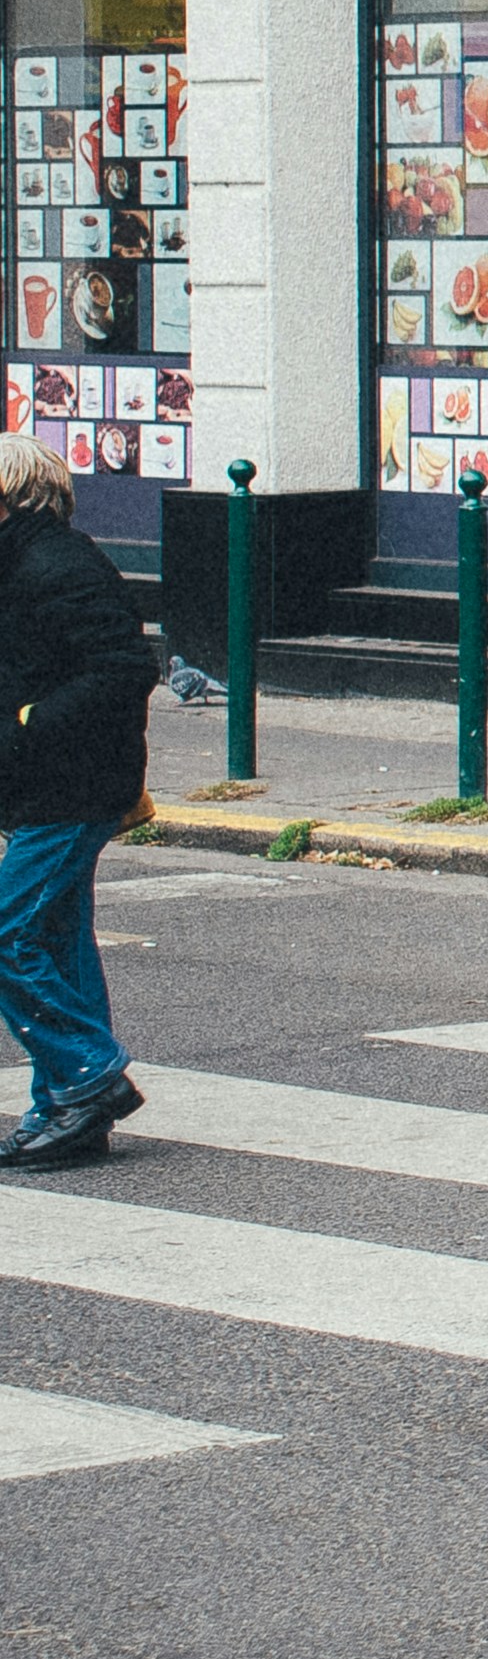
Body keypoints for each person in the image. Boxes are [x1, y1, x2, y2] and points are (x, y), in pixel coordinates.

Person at [0, 435, 158, 1169]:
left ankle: (88, 1074)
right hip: (47, 783)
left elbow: (126, 667)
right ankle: (65, 1110)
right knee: (56, 940)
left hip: (75, 782)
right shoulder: (22, 562)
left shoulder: (54, 564)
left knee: (6, 934)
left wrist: (33, 724)